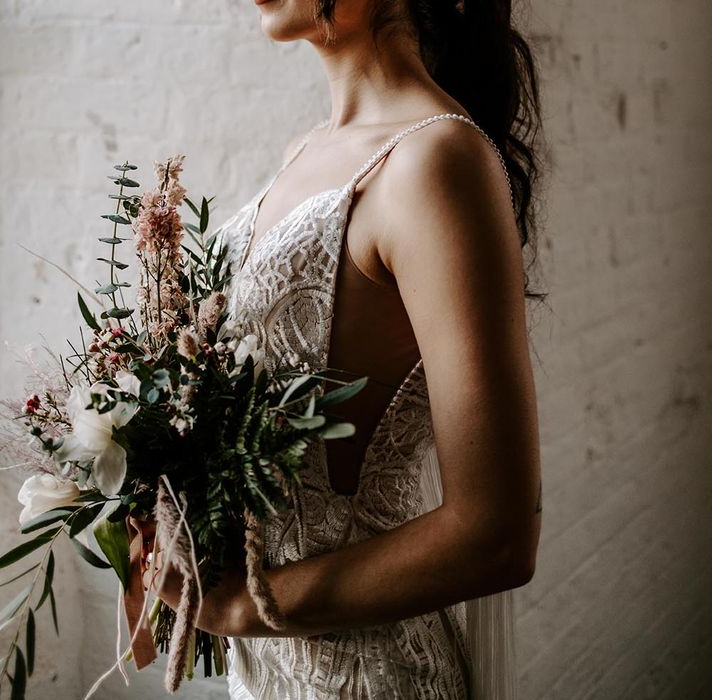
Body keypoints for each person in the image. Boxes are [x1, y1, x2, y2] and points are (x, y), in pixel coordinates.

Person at [147, 1, 544, 697]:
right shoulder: (303, 151)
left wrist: (247, 605)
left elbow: (497, 534)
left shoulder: (435, 159)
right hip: (264, 670)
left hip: (368, 673)